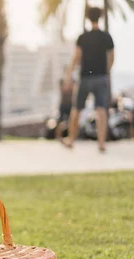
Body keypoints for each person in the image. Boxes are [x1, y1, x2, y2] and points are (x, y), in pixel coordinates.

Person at [62, 7, 115, 152]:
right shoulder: (106, 37)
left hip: (85, 77)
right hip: (101, 77)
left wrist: (68, 74)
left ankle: (71, 140)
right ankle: (101, 143)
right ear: (100, 18)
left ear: (88, 18)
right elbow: (111, 57)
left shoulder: (83, 37)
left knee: (77, 109)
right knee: (101, 110)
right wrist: (107, 71)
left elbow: (76, 58)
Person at [56, 66, 76, 140]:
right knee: (59, 120)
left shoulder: (73, 81)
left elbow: (74, 91)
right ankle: (58, 136)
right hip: (63, 103)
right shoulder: (61, 81)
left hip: (71, 104)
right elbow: (63, 90)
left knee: (72, 120)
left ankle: (71, 136)